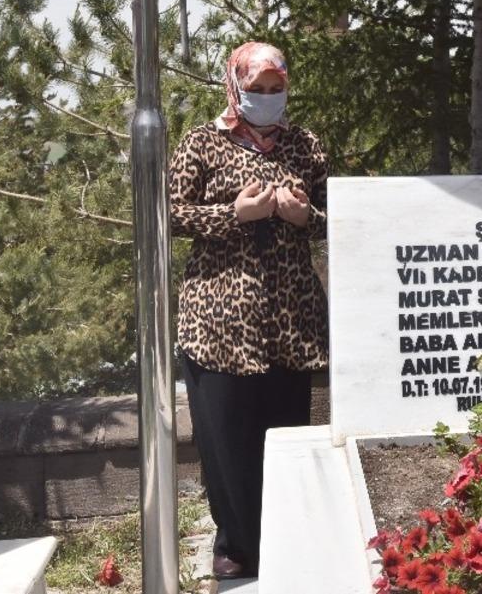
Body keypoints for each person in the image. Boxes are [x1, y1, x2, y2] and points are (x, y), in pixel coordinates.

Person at [169, 41, 329, 579]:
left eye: (275, 89)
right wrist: (234, 214)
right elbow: (170, 215)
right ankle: (237, 544)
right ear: (235, 87)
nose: (266, 98)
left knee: (285, 434)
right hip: (219, 320)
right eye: (256, 90)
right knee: (227, 438)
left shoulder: (305, 146)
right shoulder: (201, 144)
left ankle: (287, 537)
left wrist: (305, 218)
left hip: (291, 318)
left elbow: (337, 215)